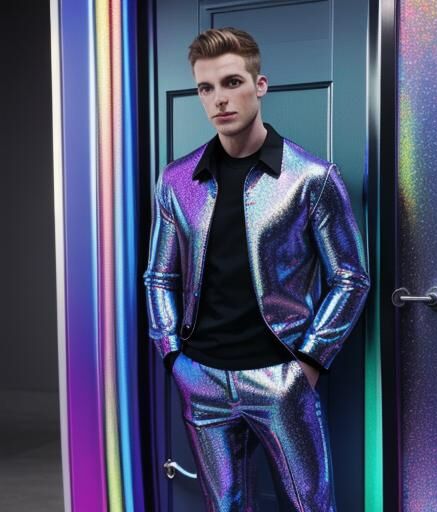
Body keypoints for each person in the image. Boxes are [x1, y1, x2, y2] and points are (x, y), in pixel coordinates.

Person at [143, 27, 370, 512]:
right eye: (206, 88)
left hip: (279, 378)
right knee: (224, 506)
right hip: (201, 377)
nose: (219, 99)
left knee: (310, 506)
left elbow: (351, 278)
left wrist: (309, 362)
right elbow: (159, 277)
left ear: (259, 85)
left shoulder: (311, 178)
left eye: (232, 82)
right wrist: (173, 356)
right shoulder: (176, 180)